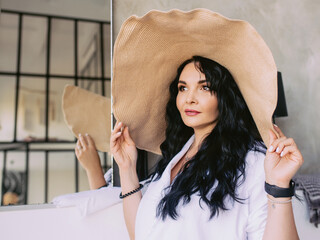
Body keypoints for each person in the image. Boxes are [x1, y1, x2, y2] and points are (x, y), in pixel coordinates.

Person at [75, 9, 304, 240]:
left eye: (204, 87)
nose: (189, 98)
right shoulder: (175, 159)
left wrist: (279, 188)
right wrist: (126, 169)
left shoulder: (253, 163)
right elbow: (142, 234)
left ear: (225, 97)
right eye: (183, 88)